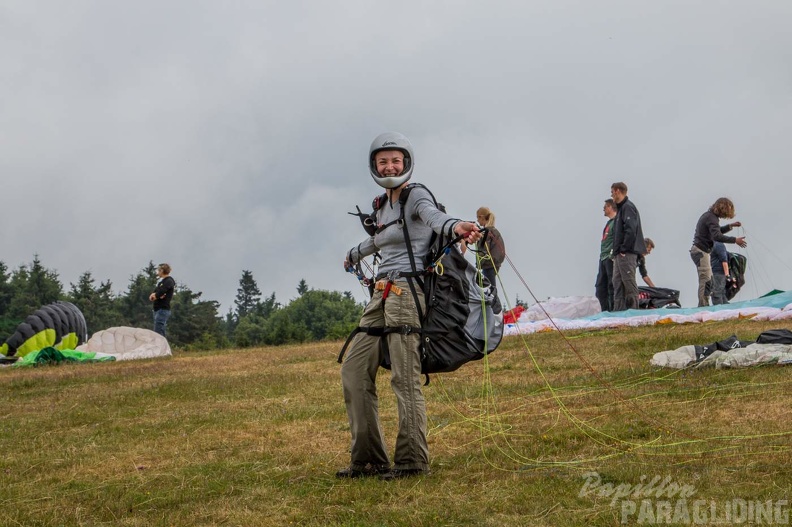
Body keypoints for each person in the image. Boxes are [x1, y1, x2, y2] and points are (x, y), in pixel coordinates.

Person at [338, 132, 482, 481]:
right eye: (383, 161)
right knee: (354, 370)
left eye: (395, 160)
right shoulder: (382, 205)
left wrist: (458, 226)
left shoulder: (416, 195)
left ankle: (411, 462)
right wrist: (354, 254)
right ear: (374, 165)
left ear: (406, 163)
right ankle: (369, 460)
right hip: (381, 292)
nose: (390, 166)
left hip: (407, 291)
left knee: (405, 378)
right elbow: (381, 238)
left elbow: (435, 219)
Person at [690, 197, 746, 307]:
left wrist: (730, 226)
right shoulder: (711, 218)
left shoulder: (710, 216)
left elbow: (716, 231)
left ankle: (703, 305)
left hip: (701, 251)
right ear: (722, 208)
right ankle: (702, 307)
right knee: (705, 280)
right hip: (701, 252)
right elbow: (717, 236)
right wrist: (735, 240)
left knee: (708, 280)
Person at [610, 182, 646, 311]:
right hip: (619, 254)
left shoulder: (628, 207)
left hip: (627, 253)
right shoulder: (620, 209)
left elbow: (631, 229)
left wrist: (624, 248)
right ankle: (618, 312)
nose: (612, 195)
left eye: (612, 192)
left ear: (618, 191)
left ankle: (633, 311)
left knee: (629, 282)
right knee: (617, 282)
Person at [472, 206, 506, 296]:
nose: (477, 220)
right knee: (490, 287)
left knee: (489, 289)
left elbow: (483, 249)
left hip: (489, 264)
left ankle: (494, 307)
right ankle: (494, 305)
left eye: (478, 217)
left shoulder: (487, 232)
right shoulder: (492, 231)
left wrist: (479, 263)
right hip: (492, 263)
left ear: (482, 217)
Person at [594, 199, 617, 312]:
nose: (604, 209)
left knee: (611, 285)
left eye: (605, 206)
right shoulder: (609, 223)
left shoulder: (616, 222)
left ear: (610, 207)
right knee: (600, 286)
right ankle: (603, 310)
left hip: (609, 258)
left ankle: (612, 310)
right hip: (603, 257)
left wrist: (612, 255)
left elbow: (617, 239)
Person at [149, 263, 175, 337]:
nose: (158, 272)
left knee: (158, 332)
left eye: (158, 270)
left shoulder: (169, 281)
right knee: (161, 332)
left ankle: (159, 347)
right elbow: (155, 292)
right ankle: (163, 348)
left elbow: (161, 291)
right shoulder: (161, 282)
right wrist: (154, 295)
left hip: (162, 309)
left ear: (162, 270)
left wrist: (156, 295)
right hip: (157, 309)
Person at [707, 241, 731, 305]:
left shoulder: (717, 245)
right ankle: (726, 311)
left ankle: (719, 311)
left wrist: (727, 274)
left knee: (717, 294)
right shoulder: (718, 245)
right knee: (721, 294)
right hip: (717, 273)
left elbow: (724, 260)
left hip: (718, 273)